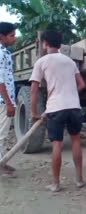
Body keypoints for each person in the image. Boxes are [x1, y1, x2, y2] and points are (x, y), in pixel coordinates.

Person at [30, 30, 86, 192]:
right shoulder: (70, 62)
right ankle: (79, 180)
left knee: (57, 144)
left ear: (45, 43)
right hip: (74, 106)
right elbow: (82, 85)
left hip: (56, 107)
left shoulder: (42, 62)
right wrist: (71, 94)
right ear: (60, 45)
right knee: (76, 141)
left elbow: (34, 90)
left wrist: (34, 112)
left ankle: (55, 184)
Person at [0, 22, 17, 178]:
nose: (15, 38)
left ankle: (2, 162)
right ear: (2, 36)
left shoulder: (4, 52)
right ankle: (0, 165)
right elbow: (0, 81)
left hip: (3, 100)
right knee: (2, 134)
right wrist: (8, 103)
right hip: (2, 101)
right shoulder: (0, 53)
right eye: (12, 35)